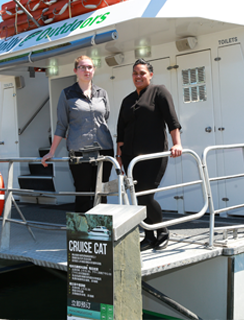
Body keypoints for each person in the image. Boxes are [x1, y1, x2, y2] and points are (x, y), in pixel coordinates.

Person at [116, 59, 183, 251]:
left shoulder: (159, 92)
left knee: (145, 195)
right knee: (137, 197)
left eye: (142, 73)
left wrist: (177, 143)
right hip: (130, 158)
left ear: (150, 75)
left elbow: (172, 120)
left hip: (153, 155)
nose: (138, 76)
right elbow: (121, 130)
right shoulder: (127, 100)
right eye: (135, 73)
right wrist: (119, 156)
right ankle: (148, 236)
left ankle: (161, 230)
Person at [41, 55, 114, 213]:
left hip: (104, 148)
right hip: (80, 152)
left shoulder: (102, 93)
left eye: (89, 67)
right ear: (76, 70)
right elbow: (62, 125)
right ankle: (84, 234)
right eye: (83, 67)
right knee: (83, 192)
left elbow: (105, 117)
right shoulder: (67, 94)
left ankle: (102, 232)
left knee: (101, 192)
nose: (86, 70)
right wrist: (51, 151)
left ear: (93, 70)